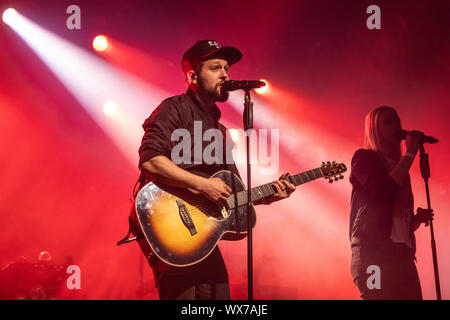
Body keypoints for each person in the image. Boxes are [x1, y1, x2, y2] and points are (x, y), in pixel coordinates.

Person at [128, 40, 296, 300]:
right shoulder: (173, 109)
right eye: (216, 67)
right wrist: (203, 185)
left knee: (219, 295)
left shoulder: (221, 132)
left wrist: (272, 194)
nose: (225, 75)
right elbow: (151, 161)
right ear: (192, 75)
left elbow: (233, 192)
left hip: (199, 236)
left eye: (227, 68)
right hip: (169, 224)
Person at [349, 106, 434, 300]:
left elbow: (395, 226)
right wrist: (410, 154)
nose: (396, 125)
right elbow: (382, 191)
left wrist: (416, 220)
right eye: (388, 122)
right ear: (374, 130)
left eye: (398, 121)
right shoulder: (363, 158)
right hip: (372, 254)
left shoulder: (401, 169)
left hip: (402, 256)